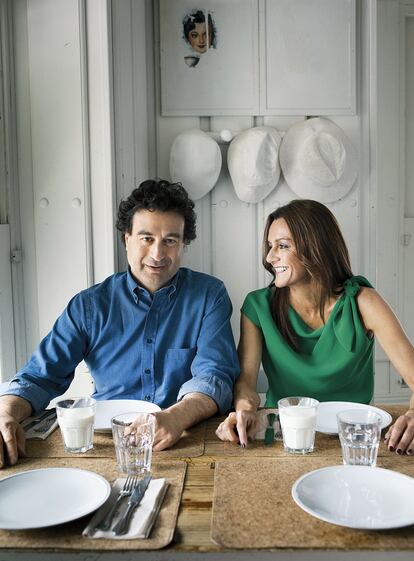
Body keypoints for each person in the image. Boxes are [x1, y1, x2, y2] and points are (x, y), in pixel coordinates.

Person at [0, 179, 239, 467]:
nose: (158, 254)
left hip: (188, 439)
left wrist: (176, 416)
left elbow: (215, 376)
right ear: (126, 238)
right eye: (146, 238)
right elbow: (37, 377)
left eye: (171, 240)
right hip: (107, 447)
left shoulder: (209, 295)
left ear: (184, 243)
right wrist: (6, 415)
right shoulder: (89, 305)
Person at [216, 199, 414, 455]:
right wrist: (244, 409)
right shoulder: (258, 306)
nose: (269, 257)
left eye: (282, 246)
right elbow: (246, 382)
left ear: (316, 248)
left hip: (351, 439)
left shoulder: (365, 303)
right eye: (270, 246)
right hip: (281, 436)